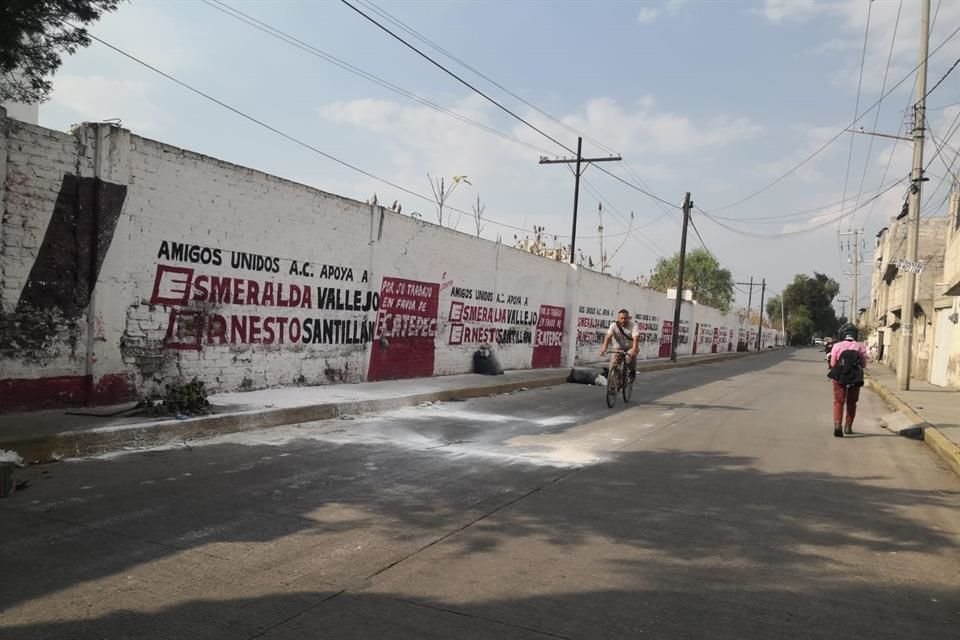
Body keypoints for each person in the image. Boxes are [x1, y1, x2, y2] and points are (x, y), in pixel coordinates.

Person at [828, 324, 867, 437]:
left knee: (839, 401)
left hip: (840, 377)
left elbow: (833, 364)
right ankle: (848, 426)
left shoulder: (837, 346)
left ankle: (837, 425)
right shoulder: (861, 346)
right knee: (852, 402)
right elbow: (864, 364)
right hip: (855, 378)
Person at [600, 309, 640, 382]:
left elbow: (636, 338)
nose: (623, 320)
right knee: (613, 364)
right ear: (618, 318)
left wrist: (634, 350)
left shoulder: (634, 325)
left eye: (625, 318)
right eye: (621, 318)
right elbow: (608, 337)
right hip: (618, 347)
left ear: (628, 318)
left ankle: (632, 372)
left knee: (629, 357)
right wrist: (604, 349)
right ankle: (613, 384)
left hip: (630, 347)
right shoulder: (613, 325)